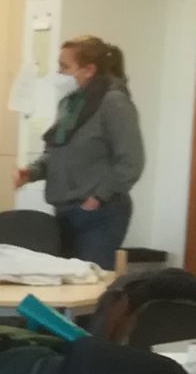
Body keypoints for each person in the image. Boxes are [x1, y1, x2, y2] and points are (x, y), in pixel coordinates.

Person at [19, 35, 144, 267]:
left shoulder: (114, 102)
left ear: (88, 70)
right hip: (65, 210)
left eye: (65, 66)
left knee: (91, 281)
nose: (59, 72)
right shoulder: (70, 104)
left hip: (99, 213)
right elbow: (56, 151)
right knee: (65, 280)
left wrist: (98, 197)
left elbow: (131, 161)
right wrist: (32, 172)